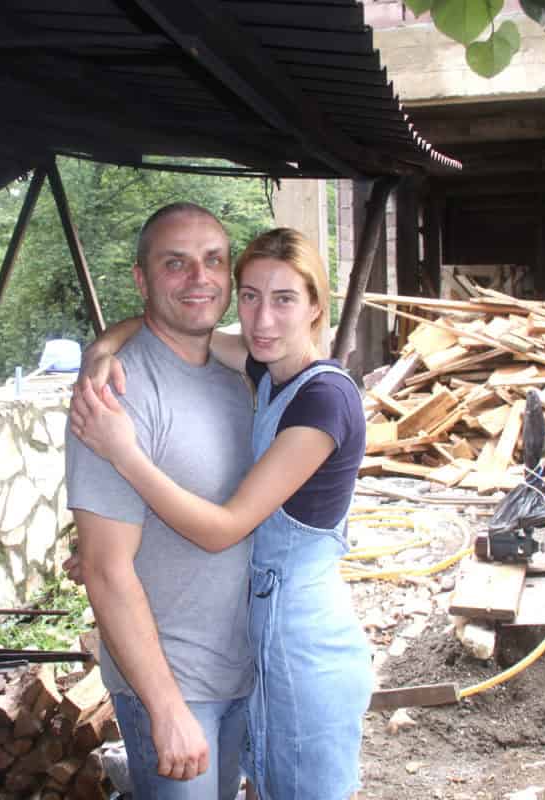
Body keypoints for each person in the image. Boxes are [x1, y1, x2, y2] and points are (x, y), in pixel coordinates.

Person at [71, 227, 372, 800]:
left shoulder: (324, 400)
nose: (262, 319)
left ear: (315, 306)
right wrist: (102, 348)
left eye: (284, 299)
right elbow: (170, 326)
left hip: (303, 643)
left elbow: (226, 528)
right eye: (251, 296)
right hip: (257, 643)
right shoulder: (266, 368)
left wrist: (124, 453)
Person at [65, 202, 256, 800]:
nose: (199, 278)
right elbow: (105, 568)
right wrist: (166, 707)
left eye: (213, 261)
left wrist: (105, 337)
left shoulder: (240, 374)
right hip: (175, 685)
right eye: (176, 263)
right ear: (142, 280)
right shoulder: (116, 392)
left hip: (246, 671)